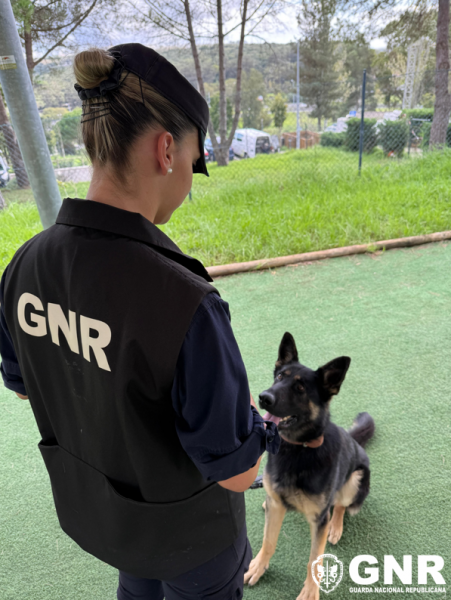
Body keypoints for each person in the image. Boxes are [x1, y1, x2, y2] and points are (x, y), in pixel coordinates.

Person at [0, 43, 281, 600]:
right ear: (166, 150)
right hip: (195, 544)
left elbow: (27, 385)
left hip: (108, 524)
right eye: (195, 162)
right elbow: (237, 474)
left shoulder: (23, 265)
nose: (191, 182)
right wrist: (255, 420)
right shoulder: (186, 302)